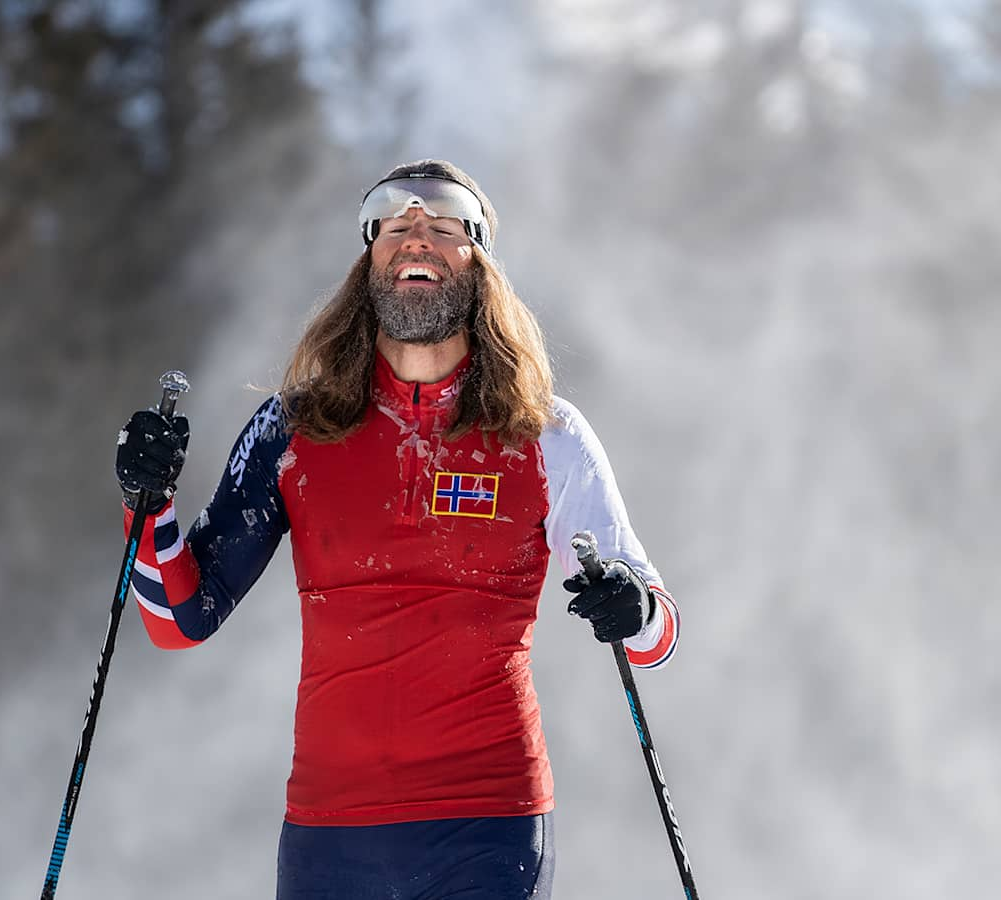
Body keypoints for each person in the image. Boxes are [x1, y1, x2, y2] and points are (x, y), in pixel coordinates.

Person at [113, 159, 679, 900]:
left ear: (478, 263)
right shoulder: (293, 430)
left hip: (489, 823)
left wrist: (631, 606)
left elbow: (656, 635)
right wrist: (145, 503)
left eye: (444, 226)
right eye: (395, 226)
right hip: (330, 835)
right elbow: (179, 620)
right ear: (368, 258)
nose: (418, 237)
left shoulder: (545, 436)